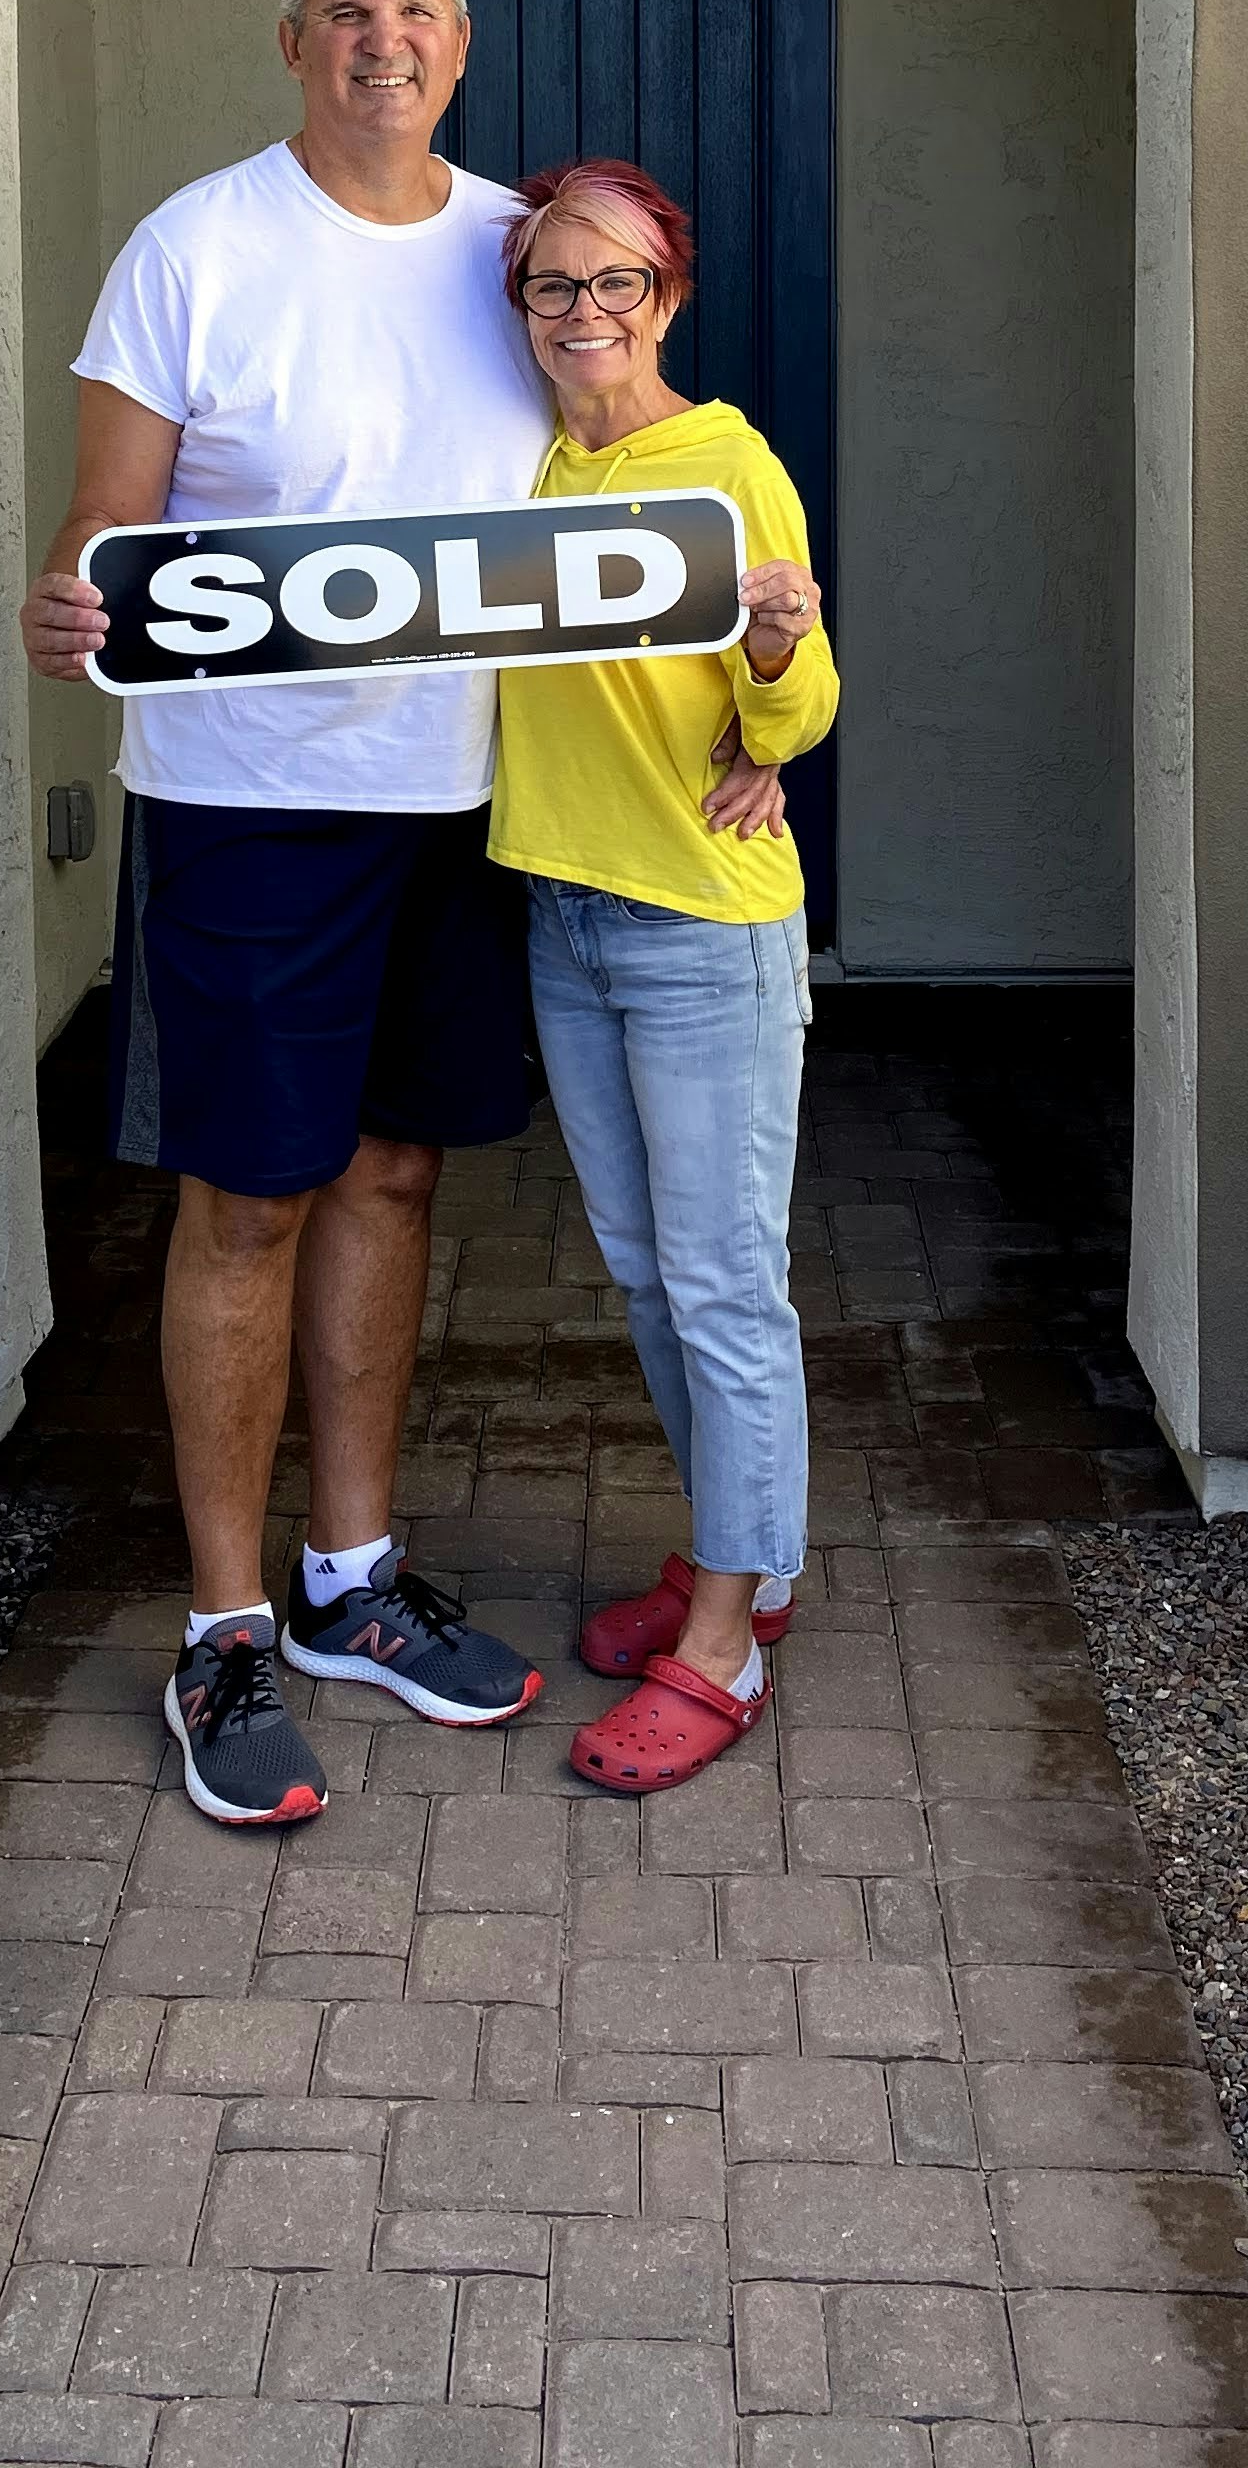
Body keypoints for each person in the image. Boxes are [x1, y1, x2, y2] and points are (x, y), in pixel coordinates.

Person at [16, 0, 784, 1826]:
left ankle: (353, 1582)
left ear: (461, 44)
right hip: (249, 811)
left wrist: (749, 682)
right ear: (295, 45)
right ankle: (223, 1630)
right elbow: (110, 541)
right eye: (347, 14)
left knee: (391, 1173)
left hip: (460, 807)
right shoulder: (195, 247)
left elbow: (641, 491)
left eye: (418, 14)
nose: (384, 43)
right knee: (245, 1201)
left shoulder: (519, 256)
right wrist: (75, 607)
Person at [486, 157, 838, 1792]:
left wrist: (769, 665)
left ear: (667, 299)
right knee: (640, 1272)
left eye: (613, 283)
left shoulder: (728, 461)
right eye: (553, 285)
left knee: (722, 1285)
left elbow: (796, 710)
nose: (582, 313)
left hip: (702, 924)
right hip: (565, 915)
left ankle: (726, 1642)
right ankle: (740, 1567)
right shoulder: (527, 468)